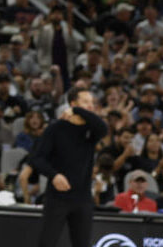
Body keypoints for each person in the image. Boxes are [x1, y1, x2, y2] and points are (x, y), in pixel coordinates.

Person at [29, 86, 108, 247]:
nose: (91, 106)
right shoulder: (55, 129)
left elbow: (103, 128)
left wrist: (79, 111)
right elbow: (37, 158)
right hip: (58, 198)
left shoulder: (91, 130)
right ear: (73, 103)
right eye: (85, 102)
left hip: (83, 198)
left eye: (92, 102)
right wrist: (54, 175)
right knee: (47, 243)